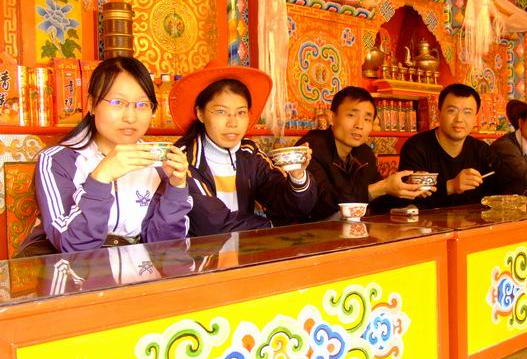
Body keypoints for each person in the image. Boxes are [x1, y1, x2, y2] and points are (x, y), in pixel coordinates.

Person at [19, 57, 192, 256]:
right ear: (92, 104)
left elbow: (166, 247)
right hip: (70, 269)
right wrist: (101, 178)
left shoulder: (159, 165)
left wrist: (176, 188)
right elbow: (72, 245)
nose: (130, 117)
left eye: (142, 104)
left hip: (134, 267)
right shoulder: (56, 161)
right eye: (117, 102)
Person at [171, 65, 317, 235]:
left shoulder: (249, 153)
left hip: (245, 248)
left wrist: (297, 177)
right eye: (221, 111)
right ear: (200, 114)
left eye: (241, 113)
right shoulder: (182, 159)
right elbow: (213, 224)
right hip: (198, 251)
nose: (233, 123)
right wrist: (273, 225)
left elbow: (291, 204)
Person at [296, 86, 424, 220]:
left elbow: (379, 201)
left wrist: (406, 187)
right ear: (332, 117)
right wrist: (378, 188)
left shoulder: (364, 153)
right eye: (351, 115)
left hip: (351, 228)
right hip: (312, 229)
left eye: (367, 119)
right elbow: (321, 203)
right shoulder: (310, 149)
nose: (359, 125)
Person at [399, 83, 503, 208]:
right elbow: (408, 200)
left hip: (474, 220)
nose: (459, 119)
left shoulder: (482, 151)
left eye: (467, 112)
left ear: (475, 118)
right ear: (439, 113)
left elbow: (504, 188)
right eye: (452, 111)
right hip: (427, 220)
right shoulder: (416, 147)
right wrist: (451, 186)